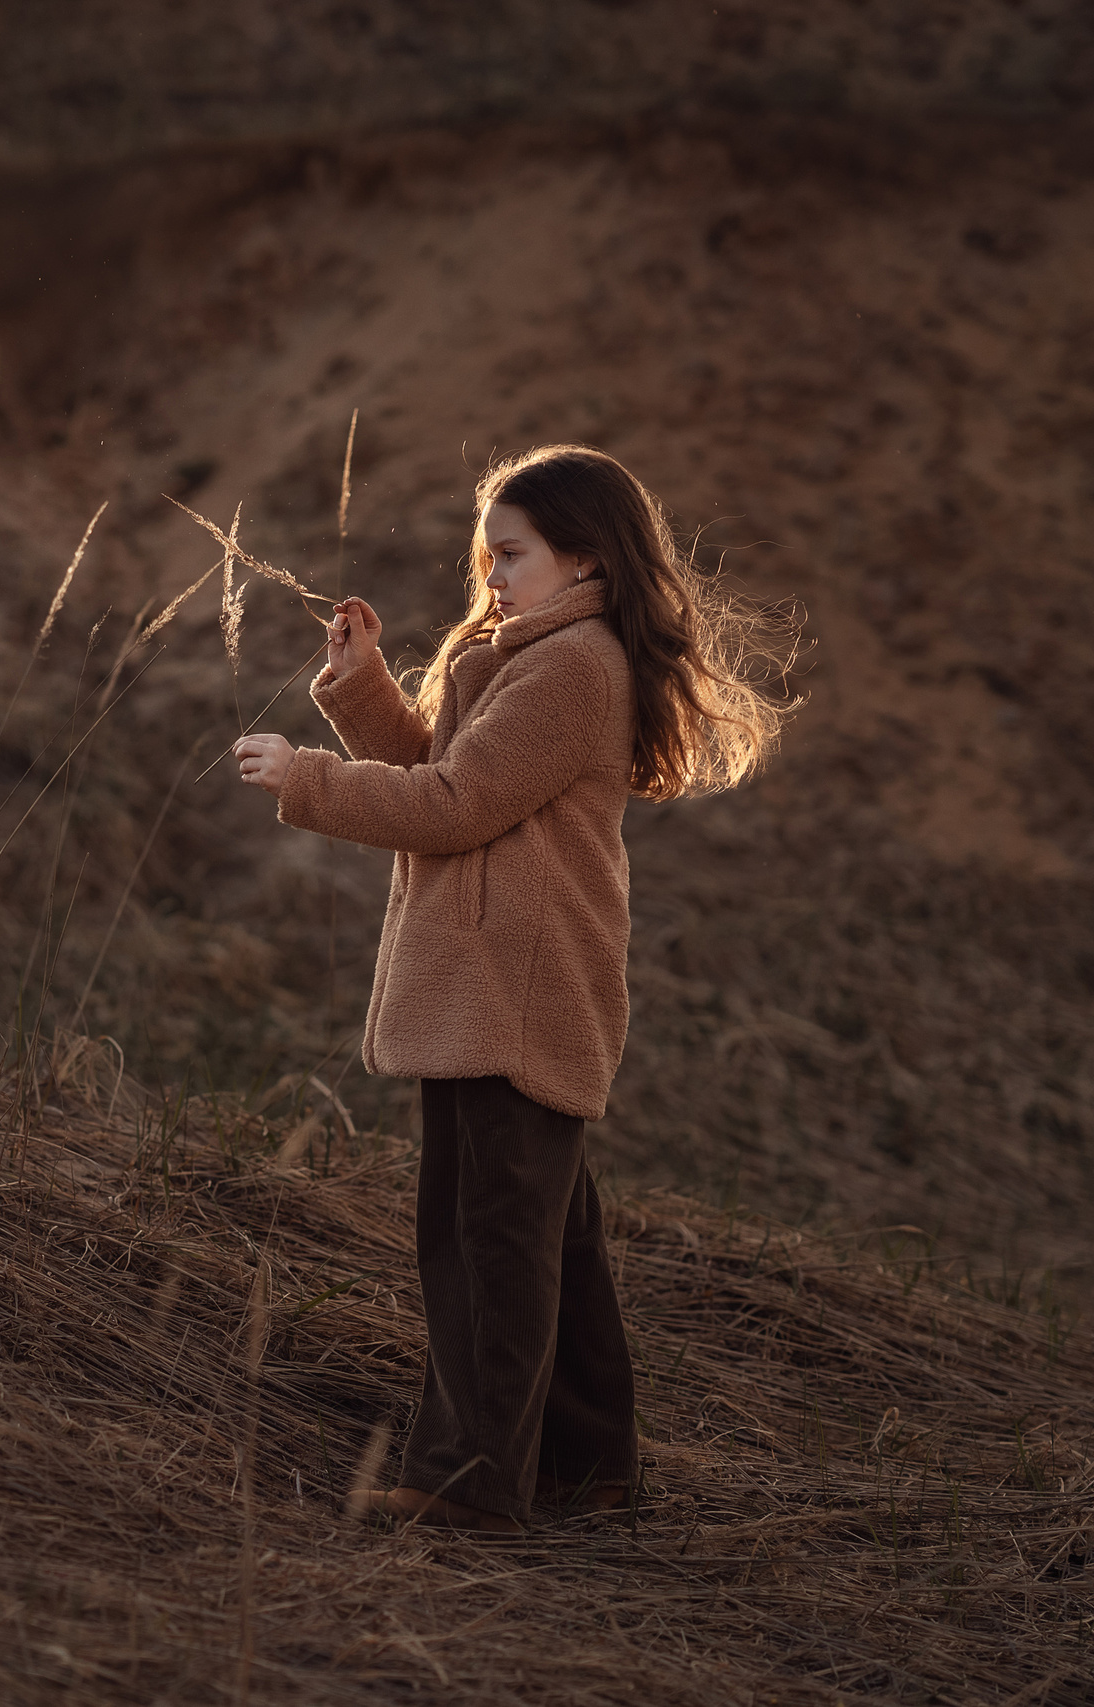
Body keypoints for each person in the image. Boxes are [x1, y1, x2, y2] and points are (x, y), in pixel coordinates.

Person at [233, 443, 792, 1533]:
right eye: (485, 554)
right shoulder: (535, 655)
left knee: (483, 1245)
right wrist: (360, 690)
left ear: (584, 556)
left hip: (515, 995)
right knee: (544, 1240)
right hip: (497, 988)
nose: (489, 575)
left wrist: (307, 779)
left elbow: (451, 804)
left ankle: (467, 1484)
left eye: (510, 554)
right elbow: (448, 763)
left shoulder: (573, 667)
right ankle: (588, 1467)